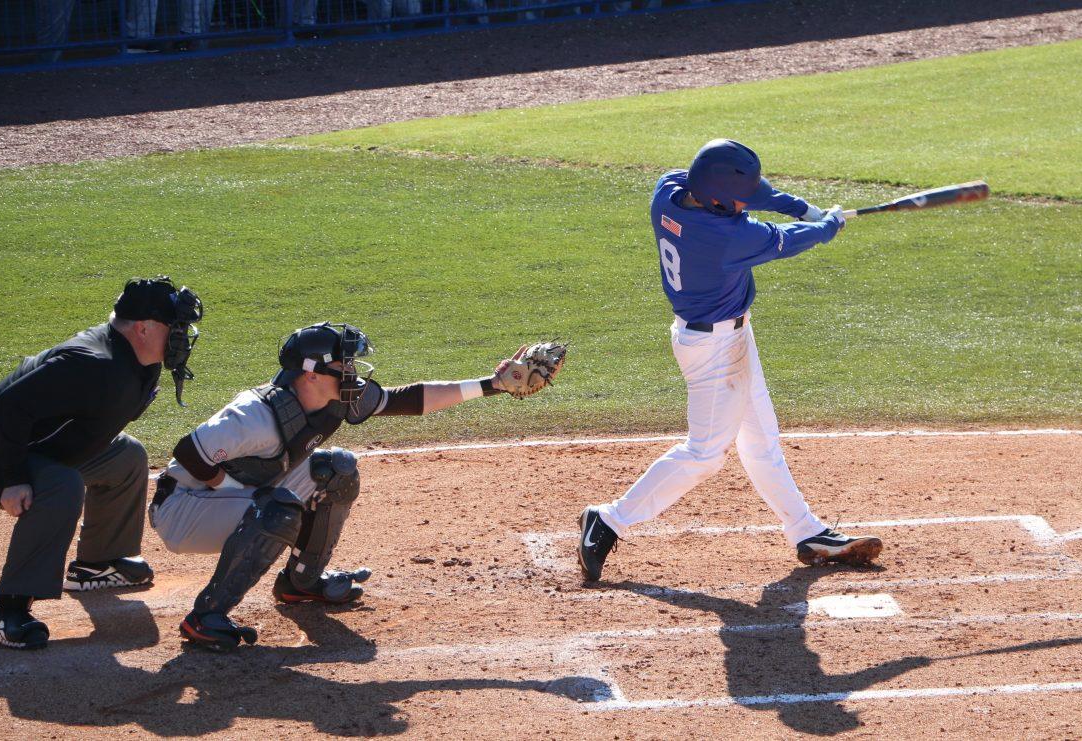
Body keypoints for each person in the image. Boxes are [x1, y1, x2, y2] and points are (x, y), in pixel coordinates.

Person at [576, 139, 882, 583]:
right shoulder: (724, 237)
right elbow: (785, 243)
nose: (747, 203)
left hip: (727, 337)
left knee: (761, 439)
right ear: (717, 196)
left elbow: (758, 195)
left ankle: (806, 531)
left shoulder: (671, 190)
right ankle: (608, 520)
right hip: (714, 351)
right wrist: (826, 225)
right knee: (704, 453)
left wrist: (803, 207)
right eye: (739, 198)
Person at [151, 322, 558, 652]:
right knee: (278, 509)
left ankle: (302, 582)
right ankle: (206, 617)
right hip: (186, 508)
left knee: (337, 470)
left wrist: (492, 384)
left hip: (239, 496)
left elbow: (408, 399)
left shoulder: (335, 399)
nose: (352, 374)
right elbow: (189, 452)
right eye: (344, 367)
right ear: (311, 373)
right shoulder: (253, 415)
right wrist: (242, 493)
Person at [0, 276, 204, 649]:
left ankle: (98, 563)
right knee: (61, 485)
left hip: (41, 449)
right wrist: (14, 478)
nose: (183, 336)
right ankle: (8, 611)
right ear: (143, 328)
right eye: (177, 327)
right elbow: (6, 407)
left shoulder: (140, 358)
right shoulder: (91, 364)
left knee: (125, 455)